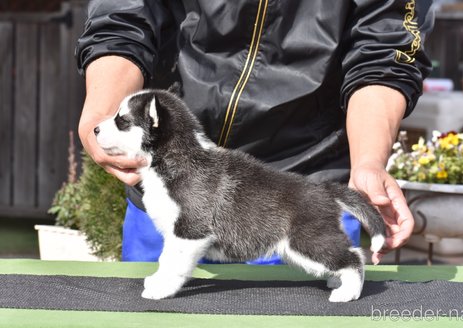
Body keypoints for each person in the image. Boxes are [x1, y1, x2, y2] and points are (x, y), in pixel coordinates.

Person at [76, 0, 433, 264]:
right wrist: (101, 110)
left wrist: (369, 161)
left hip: (296, 199)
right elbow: (122, 17)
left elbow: (385, 51)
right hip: (166, 195)